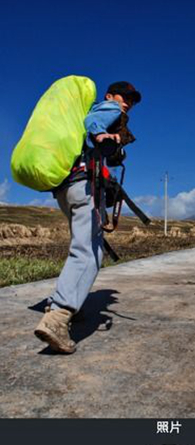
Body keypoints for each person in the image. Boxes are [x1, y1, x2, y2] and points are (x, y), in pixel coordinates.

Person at [34, 81, 142, 354]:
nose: (127, 102)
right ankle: (58, 315)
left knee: (80, 247)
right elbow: (95, 121)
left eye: (132, 100)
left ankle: (69, 302)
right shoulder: (107, 109)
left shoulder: (78, 122)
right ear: (110, 96)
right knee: (89, 253)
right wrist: (102, 137)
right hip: (84, 186)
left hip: (65, 188)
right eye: (124, 96)